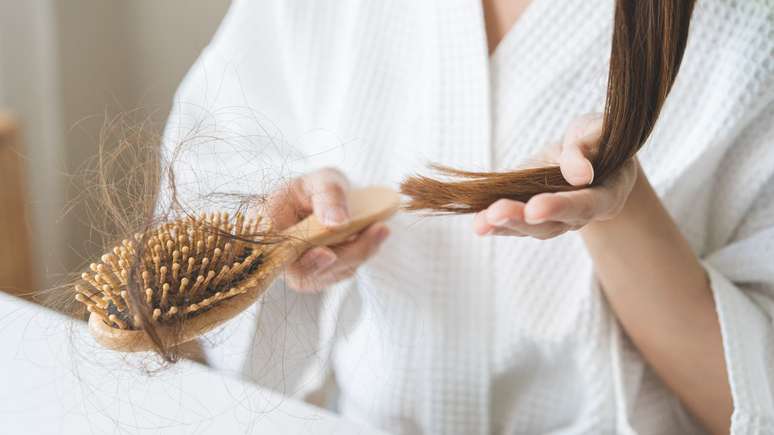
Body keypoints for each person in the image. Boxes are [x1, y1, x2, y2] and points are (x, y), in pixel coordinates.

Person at [162, 1, 774, 434]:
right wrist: (276, 229)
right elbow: (206, 188)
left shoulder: (751, 36)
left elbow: (748, 404)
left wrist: (621, 209)